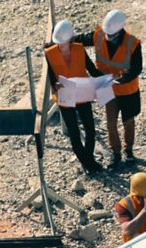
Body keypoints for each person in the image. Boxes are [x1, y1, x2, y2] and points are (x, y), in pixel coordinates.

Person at [75, 10, 141, 169]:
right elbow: (80, 39)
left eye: (112, 35)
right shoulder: (99, 35)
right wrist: (61, 39)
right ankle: (116, 153)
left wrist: (123, 78)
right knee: (110, 123)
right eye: (107, 34)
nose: (108, 37)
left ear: (120, 31)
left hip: (127, 90)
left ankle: (129, 152)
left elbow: (137, 68)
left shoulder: (133, 44)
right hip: (107, 87)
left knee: (128, 122)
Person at [45, 20, 103, 173]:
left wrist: (108, 79)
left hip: (83, 93)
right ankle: (88, 164)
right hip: (66, 96)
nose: (60, 45)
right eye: (58, 42)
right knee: (74, 133)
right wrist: (54, 85)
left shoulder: (79, 49)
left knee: (90, 130)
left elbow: (92, 70)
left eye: (63, 42)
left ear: (71, 39)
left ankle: (89, 161)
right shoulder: (49, 54)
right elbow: (49, 77)